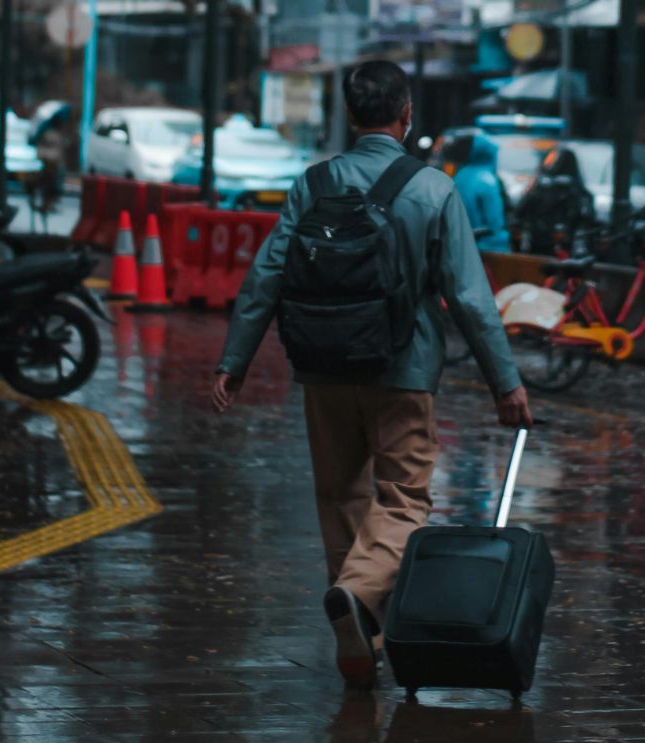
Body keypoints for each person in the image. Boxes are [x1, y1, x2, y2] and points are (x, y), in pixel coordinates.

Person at [211, 60, 532, 689]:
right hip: (402, 371)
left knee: (340, 498)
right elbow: (469, 296)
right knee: (404, 499)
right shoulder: (433, 189)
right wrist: (506, 383)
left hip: (323, 369)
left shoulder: (313, 183)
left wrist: (234, 361)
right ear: (406, 114)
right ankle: (357, 598)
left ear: (351, 116)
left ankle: (359, 639)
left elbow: (266, 275)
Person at [453, 133, 511, 253]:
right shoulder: (488, 181)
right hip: (484, 247)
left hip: (459, 243)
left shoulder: (460, 175)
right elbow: (494, 222)